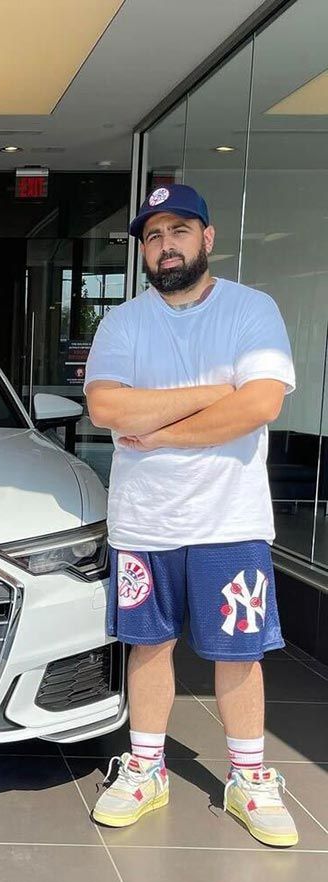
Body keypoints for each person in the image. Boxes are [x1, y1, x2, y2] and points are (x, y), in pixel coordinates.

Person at [84, 183, 297, 847]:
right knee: (149, 645)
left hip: (229, 522)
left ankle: (249, 777)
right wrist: (212, 394)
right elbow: (108, 411)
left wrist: (161, 427)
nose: (165, 243)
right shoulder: (123, 323)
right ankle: (147, 767)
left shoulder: (250, 311)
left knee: (240, 652)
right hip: (145, 522)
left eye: (179, 229)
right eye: (152, 234)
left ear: (207, 238)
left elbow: (260, 404)